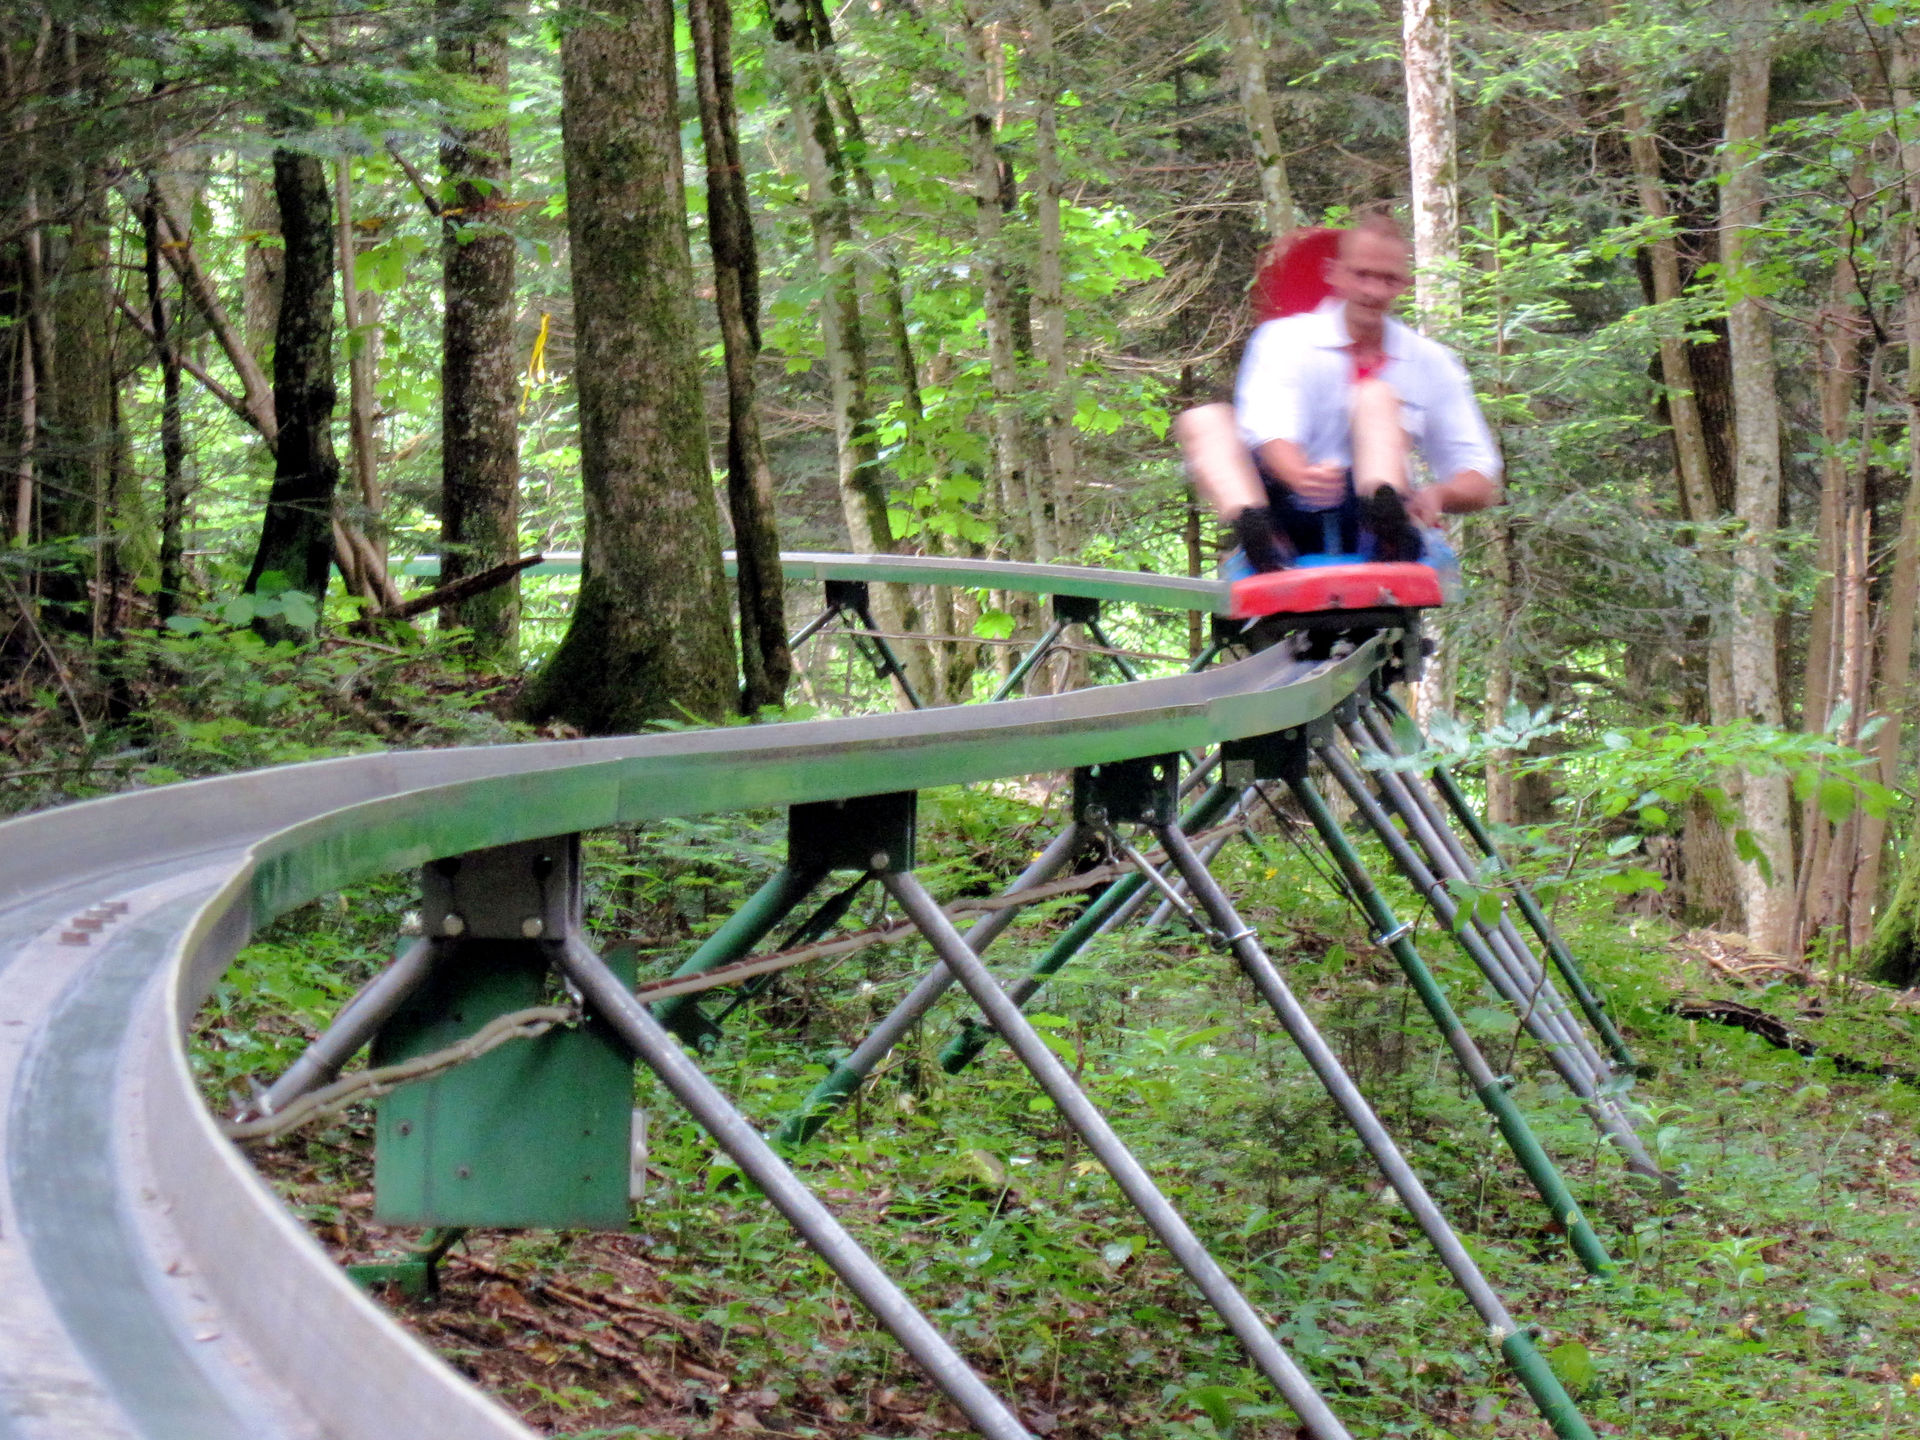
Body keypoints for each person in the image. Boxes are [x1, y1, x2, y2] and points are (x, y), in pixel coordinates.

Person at [1176, 215, 1501, 575]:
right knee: (1203, 420)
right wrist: (1301, 475)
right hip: (1284, 505)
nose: (1373, 291)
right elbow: (1271, 434)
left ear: (1404, 285)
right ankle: (1260, 538)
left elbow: (1479, 476)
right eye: (1362, 274)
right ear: (1334, 274)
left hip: (1371, 503)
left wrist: (1438, 494)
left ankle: (1385, 529)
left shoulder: (1429, 361)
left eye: (1388, 279)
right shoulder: (1283, 340)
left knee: (1376, 395)